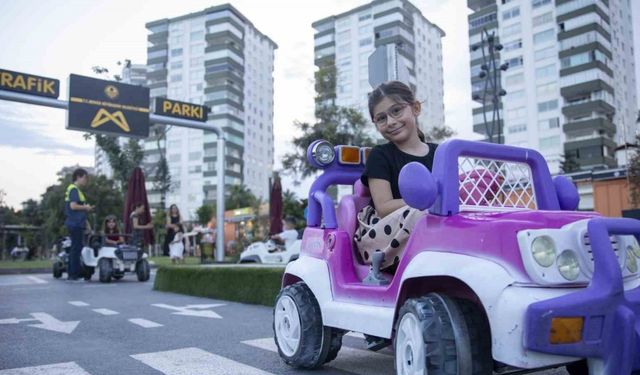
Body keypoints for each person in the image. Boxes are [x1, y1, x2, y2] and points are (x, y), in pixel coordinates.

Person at [355, 81, 438, 272]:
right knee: (425, 215)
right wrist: (429, 202)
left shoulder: (439, 153)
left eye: (396, 111)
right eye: (382, 118)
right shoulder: (380, 155)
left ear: (415, 108)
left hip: (432, 228)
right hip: (387, 235)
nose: (391, 122)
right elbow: (383, 207)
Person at [64, 168, 94, 281]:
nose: (86, 181)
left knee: (77, 248)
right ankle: (73, 274)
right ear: (78, 177)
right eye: (85, 178)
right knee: (76, 248)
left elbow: (78, 209)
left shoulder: (76, 190)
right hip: (75, 223)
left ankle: (75, 272)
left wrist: (86, 222)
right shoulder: (73, 189)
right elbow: (73, 206)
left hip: (78, 222)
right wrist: (86, 207)